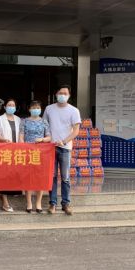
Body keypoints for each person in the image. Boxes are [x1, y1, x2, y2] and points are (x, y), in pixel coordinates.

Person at [44, 85, 81, 216]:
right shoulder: (49, 109)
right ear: (56, 94)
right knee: (52, 176)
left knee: (65, 177)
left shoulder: (74, 111)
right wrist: (47, 139)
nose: (62, 95)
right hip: (50, 148)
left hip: (65, 148)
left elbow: (76, 131)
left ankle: (66, 203)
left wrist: (64, 141)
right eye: (60, 93)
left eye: (65, 93)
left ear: (69, 96)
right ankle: (52, 203)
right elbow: (44, 126)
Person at [19, 100, 52, 213]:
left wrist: (42, 139)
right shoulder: (24, 121)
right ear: (29, 109)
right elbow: (21, 137)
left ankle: (38, 202)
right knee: (28, 177)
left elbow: (49, 137)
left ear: (41, 109)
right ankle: (29, 202)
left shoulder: (44, 122)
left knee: (40, 177)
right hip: (27, 153)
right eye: (33, 107)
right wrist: (23, 147)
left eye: (38, 107)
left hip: (41, 153)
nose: (35, 109)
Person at [0, 98, 22, 212]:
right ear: (5, 107)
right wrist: (4, 140)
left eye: (13, 105)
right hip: (4, 150)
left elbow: (21, 134)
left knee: (14, 174)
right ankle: (5, 202)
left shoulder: (18, 119)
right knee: (4, 175)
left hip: (16, 151)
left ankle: (13, 192)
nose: (11, 107)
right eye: (9, 105)